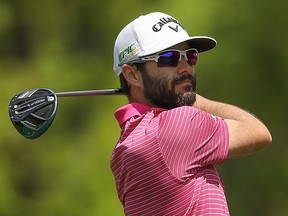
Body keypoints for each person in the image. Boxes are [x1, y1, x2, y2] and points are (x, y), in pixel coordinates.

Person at [110, 12, 272, 216]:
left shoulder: (123, 149)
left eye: (190, 56)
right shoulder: (179, 124)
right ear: (132, 74)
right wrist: (195, 99)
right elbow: (258, 132)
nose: (186, 67)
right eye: (169, 58)